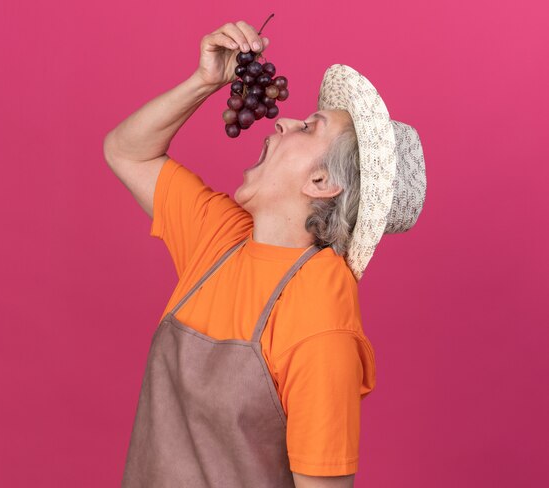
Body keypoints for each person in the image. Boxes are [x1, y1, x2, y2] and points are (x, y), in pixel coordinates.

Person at [104, 20, 426, 488]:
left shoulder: (321, 318)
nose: (284, 120)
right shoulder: (222, 237)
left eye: (309, 127)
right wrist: (205, 82)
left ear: (321, 183)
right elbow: (126, 151)